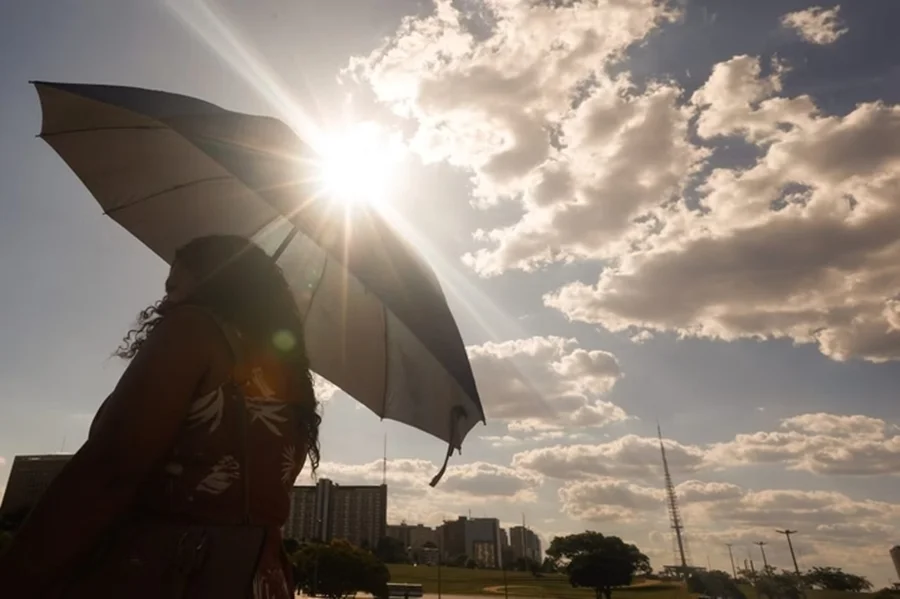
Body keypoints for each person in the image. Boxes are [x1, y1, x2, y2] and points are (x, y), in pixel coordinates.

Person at [0, 235, 320, 598]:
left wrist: (16, 575)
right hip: (259, 578)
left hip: (170, 570)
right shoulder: (294, 382)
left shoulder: (193, 329)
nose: (167, 299)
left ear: (213, 279)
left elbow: (110, 470)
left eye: (174, 285)